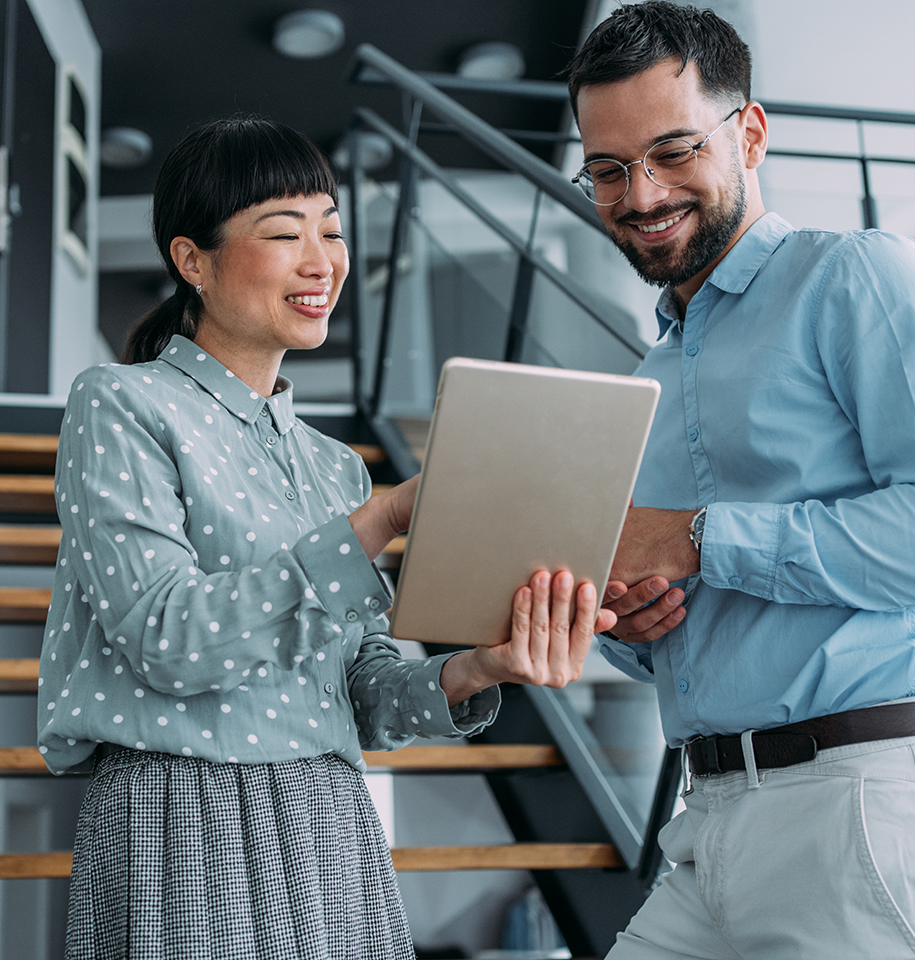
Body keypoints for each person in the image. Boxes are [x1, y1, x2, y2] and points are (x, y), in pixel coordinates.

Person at [38, 115, 616, 960]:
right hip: (183, 819)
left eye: (333, 232)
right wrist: (377, 523)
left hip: (332, 826)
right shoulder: (123, 406)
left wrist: (480, 666)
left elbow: (365, 694)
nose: (323, 262)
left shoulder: (335, 468)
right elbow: (165, 638)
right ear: (190, 260)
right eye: (285, 233)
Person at [566, 4, 915, 958]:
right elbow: (676, 629)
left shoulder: (860, 278)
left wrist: (695, 536)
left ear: (749, 132)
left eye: (671, 151)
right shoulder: (645, 380)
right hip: (706, 821)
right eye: (610, 169)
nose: (641, 192)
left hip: (858, 805)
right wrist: (626, 618)